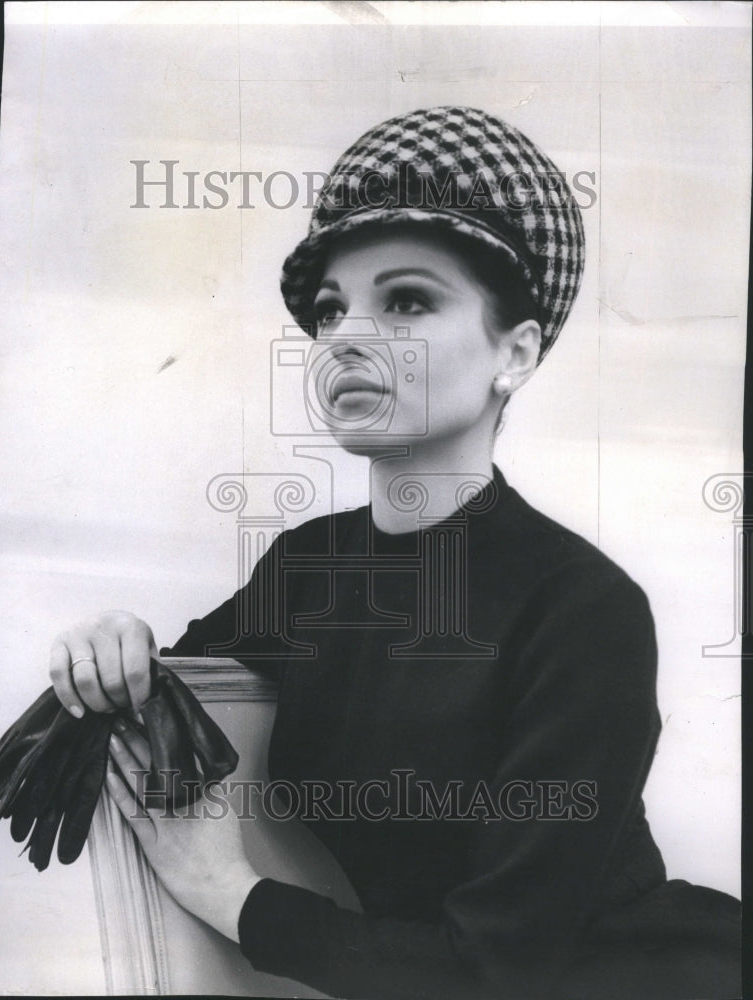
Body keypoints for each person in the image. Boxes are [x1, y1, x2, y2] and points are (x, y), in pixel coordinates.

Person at [47, 107, 741, 999]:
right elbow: (174, 689)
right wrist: (117, 638)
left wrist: (232, 894)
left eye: (407, 300)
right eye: (332, 310)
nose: (345, 336)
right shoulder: (308, 569)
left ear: (516, 352)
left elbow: (494, 969)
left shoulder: (582, 606)